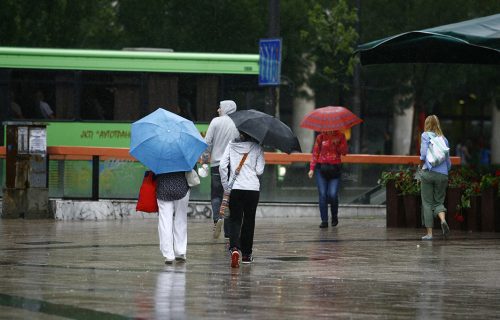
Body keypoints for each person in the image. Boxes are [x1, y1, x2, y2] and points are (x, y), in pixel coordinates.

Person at [219, 131, 265, 268]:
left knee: (235, 219)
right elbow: (259, 171)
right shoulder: (258, 147)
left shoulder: (231, 145)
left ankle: (234, 249)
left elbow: (222, 166)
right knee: (249, 221)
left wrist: (226, 185)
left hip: (236, 188)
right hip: (252, 189)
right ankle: (246, 255)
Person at [202, 100, 239, 239]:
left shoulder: (215, 122)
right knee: (230, 196)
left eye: (220, 107)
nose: (218, 110)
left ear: (226, 108)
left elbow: (207, 143)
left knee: (216, 195)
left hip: (217, 165)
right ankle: (229, 233)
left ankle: (217, 218)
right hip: (233, 165)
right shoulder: (238, 123)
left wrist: (205, 160)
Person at [419, 115, 451, 240]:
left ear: (427, 124)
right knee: (439, 202)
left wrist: (422, 163)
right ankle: (443, 220)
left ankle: (429, 234)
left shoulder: (425, 135)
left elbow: (423, 153)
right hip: (442, 174)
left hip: (428, 172)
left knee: (427, 203)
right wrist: (445, 171)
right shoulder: (444, 139)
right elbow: (448, 161)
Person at [308, 130, 348, 228]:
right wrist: (312, 169)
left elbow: (344, 152)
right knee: (322, 194)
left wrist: (336, 143)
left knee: (333, 195)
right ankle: (324, 220)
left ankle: (334, 216)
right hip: (321, 169)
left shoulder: (341, 136)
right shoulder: (320, 137)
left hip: (335, 169)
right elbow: (315, 153)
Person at [155, 171, 191, 264]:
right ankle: (180, 252)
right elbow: (191, 167)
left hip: (163, 187)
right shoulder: (184, 155)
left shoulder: (160, 156)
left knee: (165, 221)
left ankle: (168, 255)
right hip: (181, 187)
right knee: (181, 220)